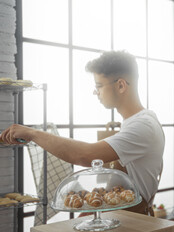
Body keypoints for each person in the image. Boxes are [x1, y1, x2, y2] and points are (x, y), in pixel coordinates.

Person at [0, 51, 165, 215]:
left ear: (121, 85)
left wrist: (32, 133)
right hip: (122, 219)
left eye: (99, 86)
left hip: (134, 224)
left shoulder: (144, 126)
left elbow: (86, 155)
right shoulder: (135, 122)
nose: (95, 92)